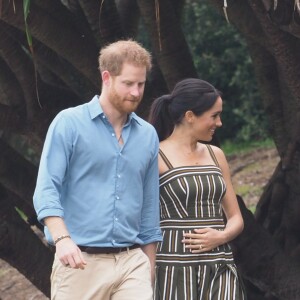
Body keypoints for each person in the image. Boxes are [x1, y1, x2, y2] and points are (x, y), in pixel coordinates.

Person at [33, 40, 162, 300]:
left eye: (141, 84)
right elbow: (47, 188)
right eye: (128, 83)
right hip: (79, 261)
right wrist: (62, 240)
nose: (136, 92)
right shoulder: (69, 123)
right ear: (107, 77)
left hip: (131, 263)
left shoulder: (148, 135)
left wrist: (150, 266)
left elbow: (149, 205)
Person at [148, 78, 246, 300]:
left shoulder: (216, 155)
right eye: (214, 115)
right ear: (190, 116)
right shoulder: (154, 156)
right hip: (174, 268)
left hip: (220, 263)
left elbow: (235, 217)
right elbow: (143, 218)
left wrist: (221, 236)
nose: (219, 123)